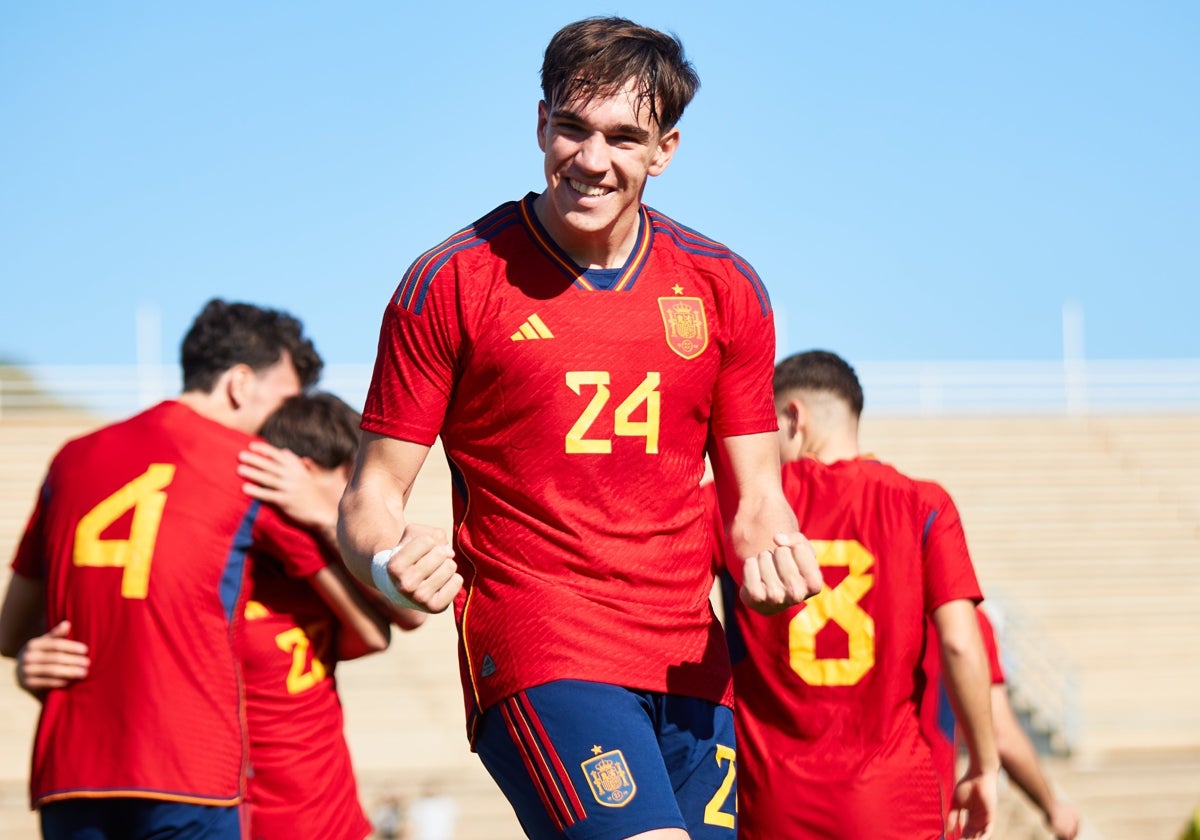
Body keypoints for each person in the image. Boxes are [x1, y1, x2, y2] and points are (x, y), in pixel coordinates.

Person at [336, 16, 823, 840]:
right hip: (542, 642)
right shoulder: (451, 281)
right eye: (573, 129)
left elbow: (755, 502)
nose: (592, 160)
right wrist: (388, 564)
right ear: (540, 124)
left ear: (665, 149)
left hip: (690, 660)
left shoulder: (724, 286)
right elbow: (371, 495)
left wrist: (774, 558)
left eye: (624, 138)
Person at [11, 390, 427, 840]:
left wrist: (319, 518)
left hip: (334, 821)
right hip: (231, 814)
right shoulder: (209, 579)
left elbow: (390, 626)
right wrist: (31, 661)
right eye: (349, 485)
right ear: (302, 471)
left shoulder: (312, 570)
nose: (354, 505)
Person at [0, 298, 323, 839]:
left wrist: (31, 656)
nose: (289, 423)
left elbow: (12, 632)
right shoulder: (249, 465)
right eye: (286, 401)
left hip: (71, 771)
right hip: (188, 770)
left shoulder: (72, 457)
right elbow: (380, 602)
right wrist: (319, 509)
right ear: (240, 384)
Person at [711, 350, 999, 839]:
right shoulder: (924, 503)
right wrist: (985, 765)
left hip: (775, 801)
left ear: (791, 418)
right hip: (892, 799)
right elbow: (959, 643)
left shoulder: (733, 510)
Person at [922, 608, 1081, 840]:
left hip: (858, 806)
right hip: (926, 816)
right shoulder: (965, 620)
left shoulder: (869, 607)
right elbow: (1002, 736)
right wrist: (1051, 806)